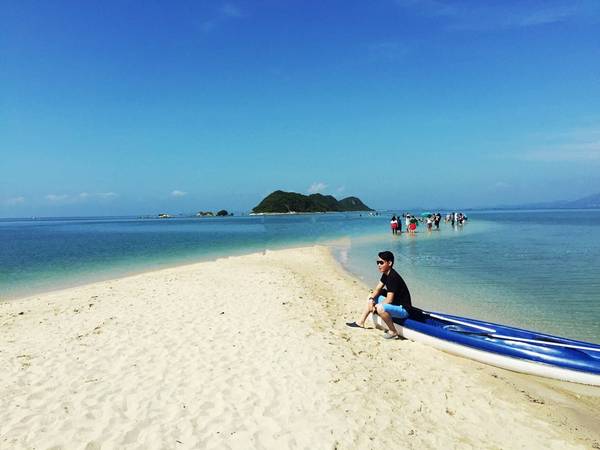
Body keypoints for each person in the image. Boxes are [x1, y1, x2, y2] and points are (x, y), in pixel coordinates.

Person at [346, 251, 412, 339]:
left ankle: (393, 331)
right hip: (395, 304)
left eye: (381, 262)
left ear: (389, 263)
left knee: (380, 308)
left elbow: (389, 300)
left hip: (403, 309)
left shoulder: (393, 277)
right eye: (377, 262)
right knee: (372, 296)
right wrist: (371, 299)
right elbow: (377, 289)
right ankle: (360, 322)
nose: (379, 265)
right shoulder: (386, 274)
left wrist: (376, 307)